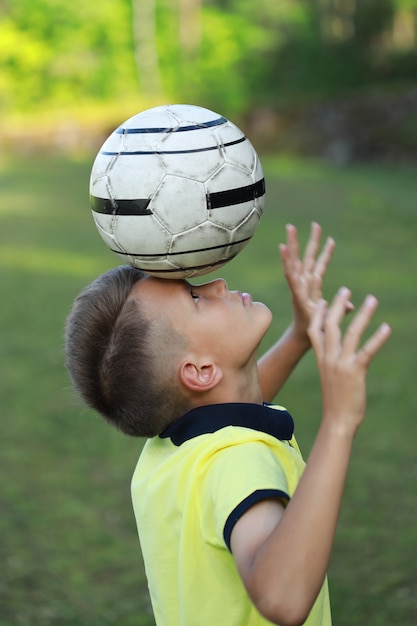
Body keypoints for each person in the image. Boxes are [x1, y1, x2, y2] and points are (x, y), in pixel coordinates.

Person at [65, 223, 391, 626]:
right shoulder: (238, 461)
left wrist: (299, 336)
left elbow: (230, 403)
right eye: (197, 297)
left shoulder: (170, 453)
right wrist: (339, 422)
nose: (217, 284)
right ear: (199, 370)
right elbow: (282, 598)